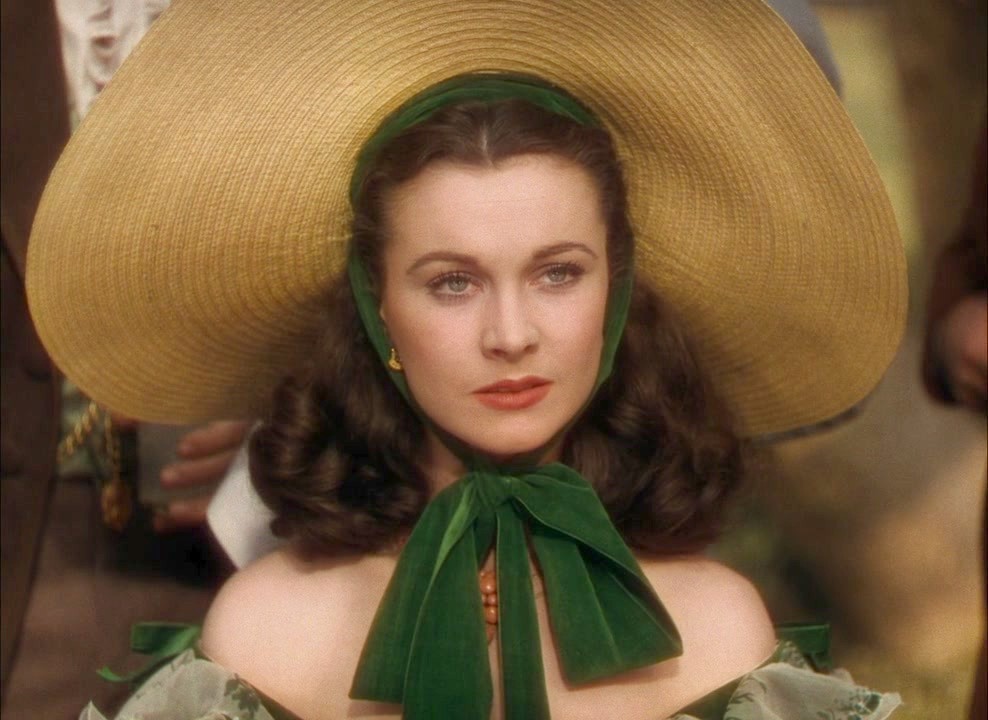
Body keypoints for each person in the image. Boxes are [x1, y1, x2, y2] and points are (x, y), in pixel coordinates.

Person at [28, 1, 906, 717]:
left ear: (618, 292)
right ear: (377, 311)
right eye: (452, 282)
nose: (511, 334)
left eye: (558, 273)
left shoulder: (717, 633)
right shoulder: (267, 635)